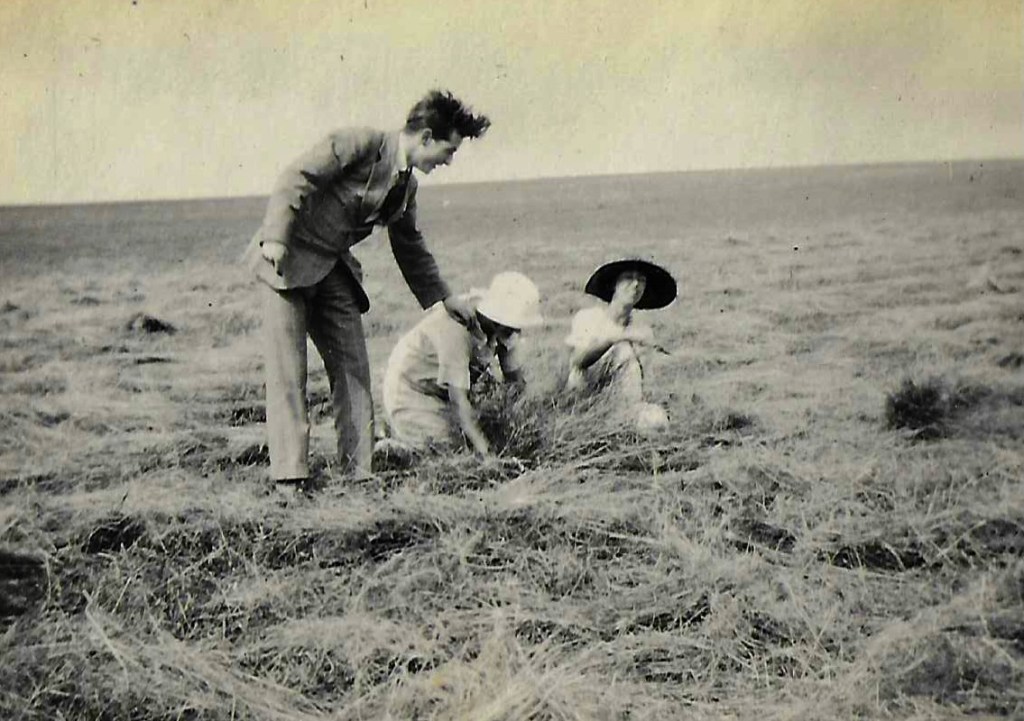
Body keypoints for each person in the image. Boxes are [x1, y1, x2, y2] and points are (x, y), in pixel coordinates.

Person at [243, 90, 490, 484]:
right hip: (284, 263)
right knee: (289, 374)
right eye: (449, 150)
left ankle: (357, 473)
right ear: (426, 137)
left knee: (353, 371)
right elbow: (297, 177)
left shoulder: (406, 187)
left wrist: (445, 298)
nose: (448, 161)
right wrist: (275, 238)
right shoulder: (360, 144)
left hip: (333, 268)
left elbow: (409, 246)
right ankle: (290, 479)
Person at [380, 272, 543, 457]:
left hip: (442, 393)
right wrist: (485, 453)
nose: (515, 332)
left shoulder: (504, 329)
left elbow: (515, 381)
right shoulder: (457, 328)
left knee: (473, 438)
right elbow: (458, 400)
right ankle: (389, 448)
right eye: (511, 326)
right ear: (496, 319)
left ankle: (402, 434)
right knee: (446, 453)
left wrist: (525, 424)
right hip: (412, 390)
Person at [564, 259, 677, 433]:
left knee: (657, 420)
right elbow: (578, 362)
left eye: (641, 280)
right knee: (621, 350)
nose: (636, 285)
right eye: (628, 277)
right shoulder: (589, 318)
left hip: (622, 407)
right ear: (614, 284)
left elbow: (644, 383)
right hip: (584, 401)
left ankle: (625, 430)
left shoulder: (642, 331)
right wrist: (620, 337)